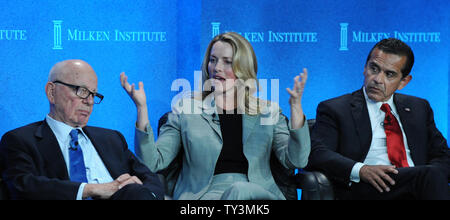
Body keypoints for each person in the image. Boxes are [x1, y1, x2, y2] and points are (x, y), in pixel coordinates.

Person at [120, 32, 311, 200]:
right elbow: (152, 162)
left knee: (240, 190)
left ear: (243, 68)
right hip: (203, 196)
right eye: (213, 60)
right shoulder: (186, 109)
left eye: (227, 62)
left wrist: (295, 108)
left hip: (259, 194)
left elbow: (296, 160)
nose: (216, 67)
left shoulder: (268, 111)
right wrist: (141, 109)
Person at [0, 59, 163, 200]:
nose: (90, 101)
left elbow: (152, 180)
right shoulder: (20, 140)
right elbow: (23, 187)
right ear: (51, 92)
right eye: (82, 91)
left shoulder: (111, 139)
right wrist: (92, 189)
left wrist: (140, 191)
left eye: (94, 94)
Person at [308, 38, 449, 200]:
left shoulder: (419, 107)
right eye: (374, 68)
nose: (377, 79)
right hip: (366, 188)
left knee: (431, 175)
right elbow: (318, 154)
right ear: (364, 68)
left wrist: (434, 177)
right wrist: (361, 170)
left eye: (389, 74)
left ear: (403, 81)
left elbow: (442, 154)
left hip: (418, 184)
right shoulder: (336, 108)